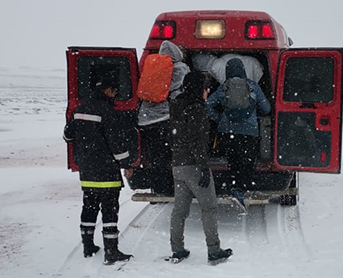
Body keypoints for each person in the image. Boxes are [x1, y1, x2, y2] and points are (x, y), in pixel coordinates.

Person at [63, 78, 137, 265]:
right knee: (110, 211)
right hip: (106, 171)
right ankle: (111, 251)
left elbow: (67, 135)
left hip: (87, 171)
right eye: (114, 91)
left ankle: (88, 246)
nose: (115, 94)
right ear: (107, 91)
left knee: (89, 208)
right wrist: (127, 164)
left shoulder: (80, 109)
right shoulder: (107, 111)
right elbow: (116, 143)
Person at [169, 71, 232, 263]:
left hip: (177, 165)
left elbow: (174, 136)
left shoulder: (175, 105)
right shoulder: (196, 108)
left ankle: (177, 249)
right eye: (205, 87)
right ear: (199, 88)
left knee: (179, 211)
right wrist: (204, 167)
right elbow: (196, 141)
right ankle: (214, 250)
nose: (208, 90)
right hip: (194, 166)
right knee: (209, 208)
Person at [206, 58, 271, 208]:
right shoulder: (253, 87)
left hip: (227, 131)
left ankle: (233, 186)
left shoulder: (223, 88)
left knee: (233, 160)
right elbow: (266, 108)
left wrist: (220, 118)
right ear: (243, 70)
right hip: (249, 132)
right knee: (247, 161)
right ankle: (242, 189)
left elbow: (208, 105)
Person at [138, 40, 190, 194]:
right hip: (165, 118)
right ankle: (171, 187)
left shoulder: (151, 65)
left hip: (146, 118)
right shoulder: (180, 68)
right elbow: (182, 91)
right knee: (170, 155)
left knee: (155, 156)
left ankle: (158, 187)